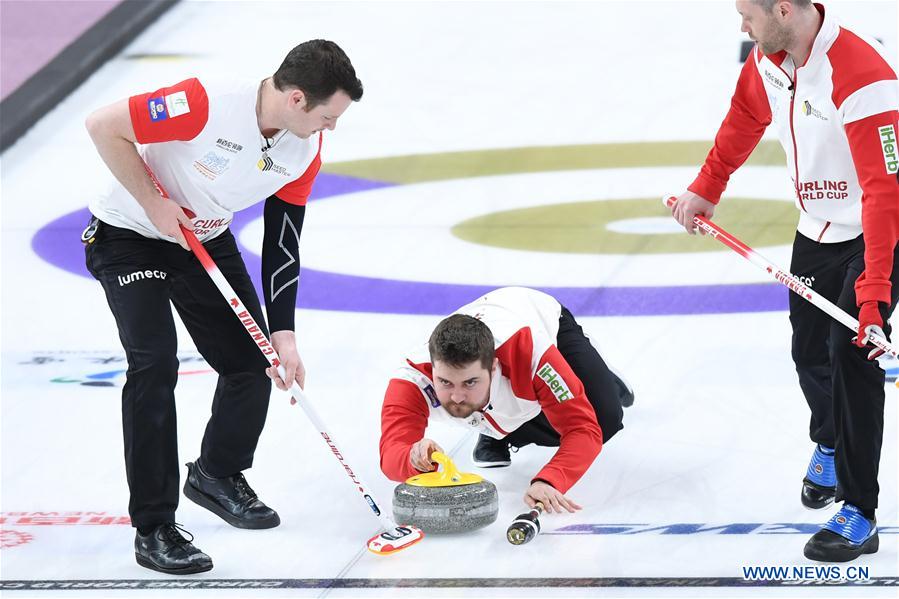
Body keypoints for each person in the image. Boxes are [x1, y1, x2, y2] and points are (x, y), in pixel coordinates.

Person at [83, 39, 363, 574]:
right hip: (128, 234)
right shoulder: (203, 102)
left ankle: (216, 472)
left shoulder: (303, 149)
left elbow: (284, 239)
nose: (331, 129)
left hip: (202, 238)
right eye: (329, 116)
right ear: (299, 99)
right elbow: (103, 125)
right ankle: (154, 526)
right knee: (155, 363)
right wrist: (153, 203)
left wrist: (283, 332)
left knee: (254, 362)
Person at [670, 0, 898, 563]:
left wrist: (872, 297)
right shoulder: (770, 57)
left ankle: (858, 512)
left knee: (852, 358)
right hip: (815, 229)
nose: (740, 25)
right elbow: (746, 116)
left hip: (878, 230)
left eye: (747, 14)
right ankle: (829, 437)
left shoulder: (863, 77)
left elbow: (885, 195)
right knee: (808, 353)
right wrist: (708, 186)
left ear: (783, 10)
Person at [379, 287, 633, 514]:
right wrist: (411, 458)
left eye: (470, 382)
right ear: (432, 368)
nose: (456, 397)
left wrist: (550, 480)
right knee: (502, 410)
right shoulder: (411, 378)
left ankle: (596, 376)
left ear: (493, 368)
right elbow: (390, 454)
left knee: (605, 419)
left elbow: (582, 429)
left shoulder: (530, 353)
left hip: (541, 316)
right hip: (500, 365)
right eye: (445, 382)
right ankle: (497, 430)